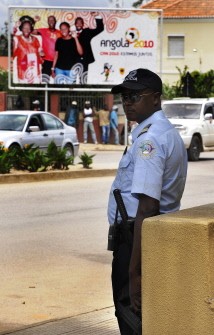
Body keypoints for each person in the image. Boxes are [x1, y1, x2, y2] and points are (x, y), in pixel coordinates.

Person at [107, 68, 188, 334]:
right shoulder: (163, 132)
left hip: (137, 240)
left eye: (135, 96)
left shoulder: (149, 141)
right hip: (149, 236)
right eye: (124, 97)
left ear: (155, 98)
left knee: (132, 316)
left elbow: (147, 207)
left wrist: (134, 272)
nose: (127, 103)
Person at [13, 16, 44, 84]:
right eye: (24, 28)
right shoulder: (17, 39)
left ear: (31, 30)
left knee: (35, 90)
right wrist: (15, 27)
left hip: (34, 70)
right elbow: (11, 39)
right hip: (23, 71)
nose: (26, 30)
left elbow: (40, 51)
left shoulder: (35, 39)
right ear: (21, 29)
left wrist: (41, 53)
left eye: (28, 28)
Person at [74, 12, 104, 83]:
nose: (79, 24)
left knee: (83, 79)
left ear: (83, 24)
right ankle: (72, 94)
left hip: (84, 59)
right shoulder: (71, 33)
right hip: (73, 59)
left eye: (80, 23)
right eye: (77, 23)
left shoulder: (87, 32)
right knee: (73, 79)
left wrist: (97, 17)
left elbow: (100, 29)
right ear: (75, 24)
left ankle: (82, 93)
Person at [33, 15, 61, 80]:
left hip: (57, 61)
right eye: (49, 20)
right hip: (46, 61)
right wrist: (34, 21)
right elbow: (30, 31)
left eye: (52, 20)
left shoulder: (60, 33)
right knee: (45, 80)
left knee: (56, 81)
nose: (51, 21)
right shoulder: (43, 31)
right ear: (48, 22)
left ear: (55, 22)